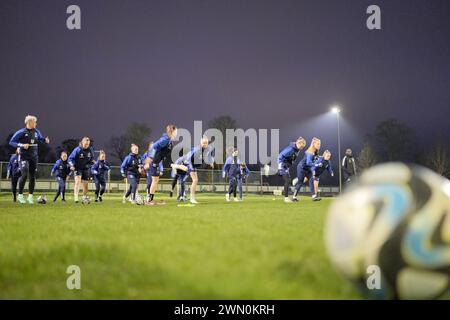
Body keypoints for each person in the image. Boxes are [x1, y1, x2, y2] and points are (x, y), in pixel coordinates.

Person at [9, 115, 50, 204]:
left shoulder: (37, 131)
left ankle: (30, 197)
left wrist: (45, 140)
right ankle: (20, 195)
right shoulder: (21, 132)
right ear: (29, 122)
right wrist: (22, 145)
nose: (36, 123)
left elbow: (41, 139)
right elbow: (11, 142)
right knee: (24, 174)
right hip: (23, 156)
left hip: (34, 157)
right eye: (35, 122)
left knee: (32, 177)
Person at [144, 124, 178, 204]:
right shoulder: (165, 139)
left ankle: (150, 199)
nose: (177, 133)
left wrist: (171, 163)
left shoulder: (169, 140)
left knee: (155, 180)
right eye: (176, 131)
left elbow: (166, 153)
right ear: (172, 131)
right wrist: (150, 158)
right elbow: (154, 146)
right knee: (154, 180)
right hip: (154, 162)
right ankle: (149, 200)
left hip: (156, 162)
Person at [184, 136, 215, 204]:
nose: (205, 144)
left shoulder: (207, 149)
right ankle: (192, 199)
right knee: (195, 180)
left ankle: (192, 198)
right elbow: (188, 158)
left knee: (195, 180)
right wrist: (190, 167)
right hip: (189, 163)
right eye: (203, 143)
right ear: (201, 143)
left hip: (194, 165)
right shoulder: (196, 149)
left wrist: (211, 162)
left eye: (206, 143)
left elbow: (208, 155)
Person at [277, 137, 306, 203]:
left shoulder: (297, 149)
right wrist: (279, 168)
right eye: (301, 146)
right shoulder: (290, 149)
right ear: (298, 143)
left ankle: (286, 197)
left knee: (288, 180)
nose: (302, 148)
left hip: (286, 166)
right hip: (283, 165)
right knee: (288, 180)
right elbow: (280, 156)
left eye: (303, 147)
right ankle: (286, 198)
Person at [292, 137, 321, 202]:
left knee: (311, 180)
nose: (319, 145)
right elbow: (308, 162)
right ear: (314, 144)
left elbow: (315, 160)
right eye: (318, 144)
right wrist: (316, 164)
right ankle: (294, 197)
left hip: (308, 168)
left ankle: (314, 196)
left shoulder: (316, 151)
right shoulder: (310, 151)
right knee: (300, 183)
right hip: (301, 168)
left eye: (319, 144)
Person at [68, 137, 95, 204]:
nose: (86, 145)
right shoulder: (77, 149)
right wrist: (71, 165)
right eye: (85, 144)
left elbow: (91, 160)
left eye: (88, 144)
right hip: (77, 167)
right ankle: (76, 197)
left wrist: (90, 164)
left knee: (85, 185)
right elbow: (70, 158)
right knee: (78, 181)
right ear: (82, 143)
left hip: (86, 168)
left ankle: (84, 197)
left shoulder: (90, 150)